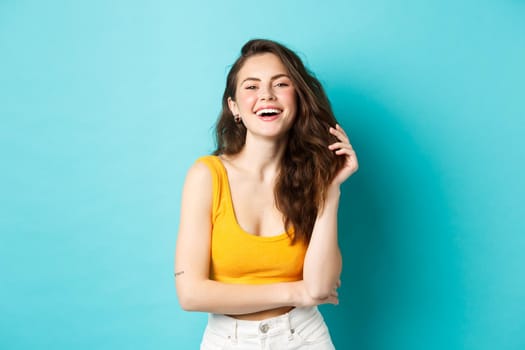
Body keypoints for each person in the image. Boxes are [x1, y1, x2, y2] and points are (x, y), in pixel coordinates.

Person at [174, 38, 358, 349]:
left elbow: (322, 285)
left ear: (297, 99)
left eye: (281, 83)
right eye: (251, 86)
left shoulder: (313, 179)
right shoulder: (206, 175)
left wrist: (331, 190)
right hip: (227, 340)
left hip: (304, 337)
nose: (266, 95)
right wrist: (295, 292)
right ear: (234, 107)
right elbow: (191, 293)